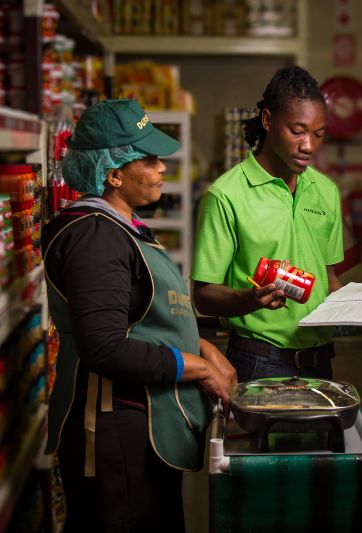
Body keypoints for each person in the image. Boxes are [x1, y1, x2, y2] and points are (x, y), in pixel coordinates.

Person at [42, 99, 236, 532]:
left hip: (140, 428)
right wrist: (199, 368)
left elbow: (139, 317)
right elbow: (105, 348)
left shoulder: (119, 227)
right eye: (148, 160)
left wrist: (200, 345)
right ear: (113, 174)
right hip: (116, 437)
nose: (162, 167)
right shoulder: (95, 236)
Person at [192, 66, 344, 382]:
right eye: (298, 131)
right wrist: (250, 300)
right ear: (268, 120)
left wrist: (358, 305)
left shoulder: (326, 191)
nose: (308, 146)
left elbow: (328, 275)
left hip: (320, 361)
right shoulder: (226, 195)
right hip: (259, 360)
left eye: (318, 134)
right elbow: (204, 296)